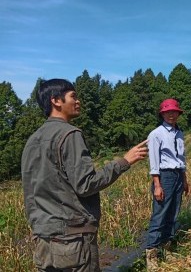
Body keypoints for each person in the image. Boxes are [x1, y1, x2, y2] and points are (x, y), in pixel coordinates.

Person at [21, 78, 148, 271]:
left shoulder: (32, 140)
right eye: (73, 96)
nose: (78, 101)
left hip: (43, 239)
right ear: (56, 101)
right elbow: (86, 184)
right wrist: (124, 162)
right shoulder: (70, 134)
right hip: (73, 239)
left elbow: (30, 191)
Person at [146, 98, 189, 270]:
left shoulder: (179, 133)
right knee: (160, 213)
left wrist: (185, 179)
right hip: (165, 176)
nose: (172, 114)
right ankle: (152, 254)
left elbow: (181, 158)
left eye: (174, 112)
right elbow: (154, 162)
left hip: (178, 175)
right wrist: (157, 184)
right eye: (168, 112)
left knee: (174, 212)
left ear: (178, 113)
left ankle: (166, 247)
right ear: (162, 114)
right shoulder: (156, 134)